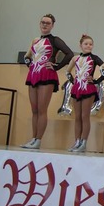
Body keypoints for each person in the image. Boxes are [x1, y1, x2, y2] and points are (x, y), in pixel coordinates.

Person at [22, 13, 73, 149]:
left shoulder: (55, 40)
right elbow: (27, 56)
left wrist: (57, 66)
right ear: (40, 24)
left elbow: (69, 54)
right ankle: (33, 139)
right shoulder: (35, 40)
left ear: (52, 25)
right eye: (43, 22)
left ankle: (38, 140)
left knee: (42, 109)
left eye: (48, 23)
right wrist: (30, 65)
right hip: (33, 75)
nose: (44, 25)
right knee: (34, 110)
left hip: (47, 75)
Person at [65, 34, 103, 153]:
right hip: (77, 88)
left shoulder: (94, 58)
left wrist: (96, 81)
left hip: (88, 89)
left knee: (84, 116)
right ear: (80, 45)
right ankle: (77, 141)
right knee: (77, 117)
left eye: (90, 44)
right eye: (86, 44)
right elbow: (67, 72)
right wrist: (74, 81)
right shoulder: (75, 58)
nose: (88, 46)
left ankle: (84, 143)